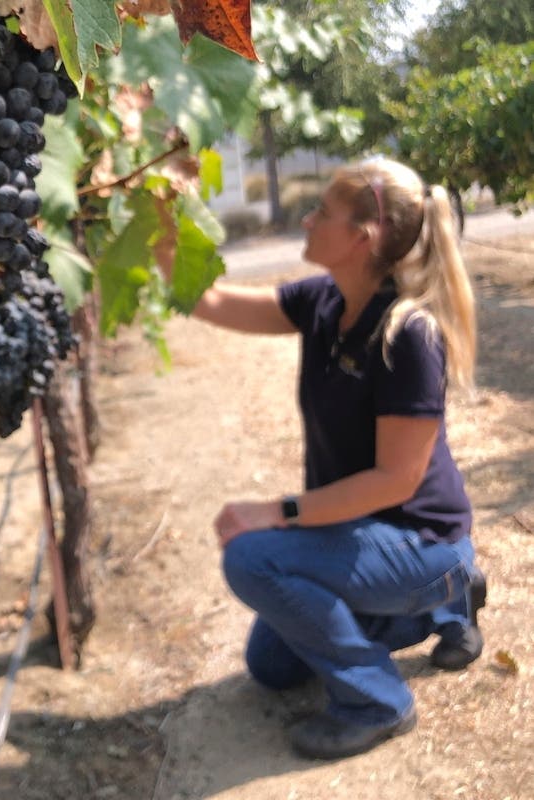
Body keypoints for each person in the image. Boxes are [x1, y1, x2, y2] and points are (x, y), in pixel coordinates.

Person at [193, 156, 485, 760]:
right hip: (361, 535)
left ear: (362, 237)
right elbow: (215, 302)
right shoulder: (324, 302)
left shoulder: (409, 334)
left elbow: (394, 480)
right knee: (271, 666)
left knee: (252, 557)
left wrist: (278, 510)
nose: (306, 219)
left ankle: (377, 702)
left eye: (321, 211)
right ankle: (447, 608)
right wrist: (160, 235)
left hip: (420, 541)